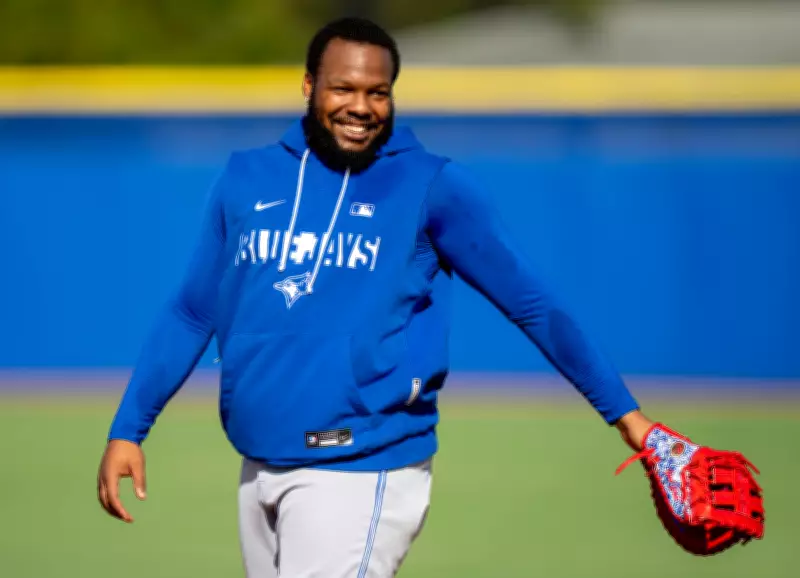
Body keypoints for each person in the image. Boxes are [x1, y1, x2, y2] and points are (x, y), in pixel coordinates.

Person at [97, 16, 655, 577]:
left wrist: (627, 417)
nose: (361, 107)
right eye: (343, 88)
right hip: (259, 461)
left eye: (378, 92)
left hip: (362, 466)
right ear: (309, 85)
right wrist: (129, 428)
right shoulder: (247, 176)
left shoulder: (430, 185)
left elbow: (533, 304)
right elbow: (193, 312)